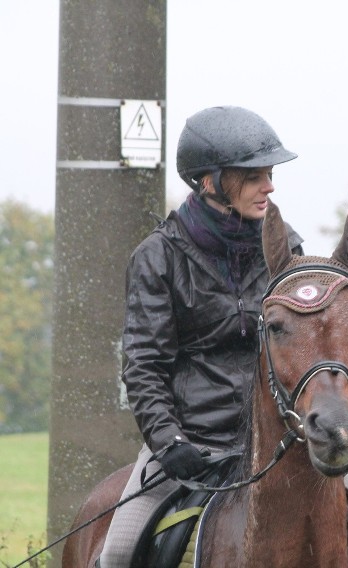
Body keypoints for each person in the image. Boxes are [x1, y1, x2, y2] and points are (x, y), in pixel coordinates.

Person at [99, 105, 304, 567]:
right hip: (191, 444)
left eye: (269, 174)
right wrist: (169, 442)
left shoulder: (286, 247)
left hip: (279, 444)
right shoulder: (158, 257)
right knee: (115, 554)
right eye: (254, 176)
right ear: (209, 182)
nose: (269, 186)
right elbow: (144, 365)